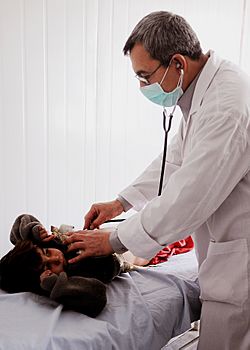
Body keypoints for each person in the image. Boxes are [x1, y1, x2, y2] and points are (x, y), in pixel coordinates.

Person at [64, 10, 250, 349]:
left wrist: (114, 240)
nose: (142, 86)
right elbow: (176, 160)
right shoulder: (202, 95)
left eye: (145, 76)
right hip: (224, 260)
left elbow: (189, 196)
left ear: (177, 63)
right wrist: (121, 202)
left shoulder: (225, 105)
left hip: (241, 268)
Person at [0, 214, 131, 317]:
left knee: (124, 230)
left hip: (98, 236)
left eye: (47, 252)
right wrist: (57, 285)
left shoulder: (40, 247)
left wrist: (35, 233)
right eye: (48, 267)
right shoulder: (68, 280)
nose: (56, 258)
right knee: (137, 252)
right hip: (117, 258)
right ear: (43, 279)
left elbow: (23, 221)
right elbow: (98, 298)